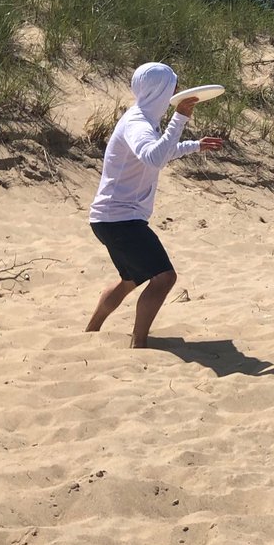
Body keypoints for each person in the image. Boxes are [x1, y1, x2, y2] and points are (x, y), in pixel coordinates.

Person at [85, 62, 222, 347]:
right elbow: (154, 158)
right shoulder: (138, 123)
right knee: (164, 278)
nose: (175, 88)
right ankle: (139, 343)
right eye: (172, 84)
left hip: (110, 218)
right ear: (160, 90)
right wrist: (180, 118)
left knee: (130, 280)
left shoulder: (144, 118)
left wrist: (194, 145)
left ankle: (91, 331)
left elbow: (160, 151)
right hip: (120, 219)